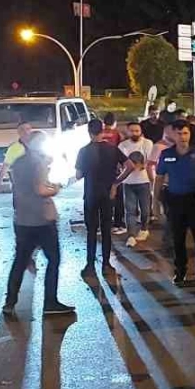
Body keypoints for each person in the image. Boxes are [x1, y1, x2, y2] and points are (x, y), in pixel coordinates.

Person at [2, 129, 75, 318]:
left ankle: (10, 302)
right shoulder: (38, 163)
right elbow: (41, 189)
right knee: (53, 259)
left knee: (20, 261)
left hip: (21, 219)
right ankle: (50, 302)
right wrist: (56, 188)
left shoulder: (18, 162)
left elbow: (21, 186)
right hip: (41, 219)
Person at [156, 122, 195, 285]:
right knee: (178, 238)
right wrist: (155, 202)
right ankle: (180, 271)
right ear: (172, 135)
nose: (182, 137)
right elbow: (159, 179)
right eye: (179, 133)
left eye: (185, 133)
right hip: (175, 201)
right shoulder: (166, 154)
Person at [75, 118, 124, 277]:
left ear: (89, 132)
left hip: (91, 194)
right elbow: (130, 165)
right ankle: (106, 264)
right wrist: (116, 183)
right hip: (108, 194)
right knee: (106, 229)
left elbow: (78, 175)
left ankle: (90, 265)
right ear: (102, 131)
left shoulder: (83, 151)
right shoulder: (112, 149)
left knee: (91, 230)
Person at [116, 121, 155, 245]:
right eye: (132, 131)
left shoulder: (147, 143)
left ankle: (144, 229)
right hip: (128, 182)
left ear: (141, 131)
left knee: (145, 209)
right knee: (130, 210)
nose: (134, 133)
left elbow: (149, 162)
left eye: (137, 131)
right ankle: (131, 235)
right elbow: (120, 163)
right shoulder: (122, 145)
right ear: (127, 132)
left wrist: (152, 180)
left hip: (144, 181)